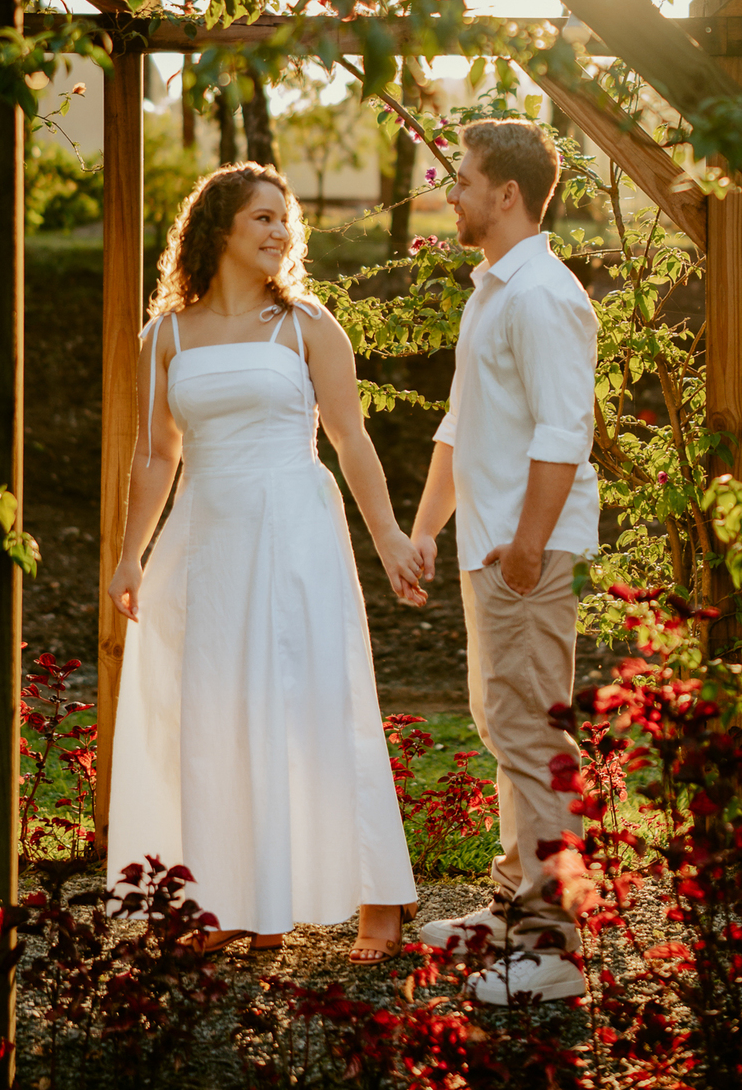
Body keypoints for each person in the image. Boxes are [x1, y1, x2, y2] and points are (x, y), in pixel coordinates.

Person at [106, 162, 423, 965]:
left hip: (294, 532)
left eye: (286, 219)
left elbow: (352, 440)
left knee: (320, 696)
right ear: (218, 231)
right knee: (213, 712)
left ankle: (380, 905)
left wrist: (386, 535)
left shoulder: (307, 324)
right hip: (205, 539)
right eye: (262, 218)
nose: (281, 231)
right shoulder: (165, 335)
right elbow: (154, 454)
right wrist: (129, 556)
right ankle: (243, 900)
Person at [410, 119, 600, 1004]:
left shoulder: (543, 295)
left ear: (508, 193)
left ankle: (553, 943)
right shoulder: (490, 290)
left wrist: (526, 547)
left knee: (530, 731)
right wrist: (425, 530)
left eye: (464, 179)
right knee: (505, 724)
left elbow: (566, 432)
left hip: (526, 547)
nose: (452, 193)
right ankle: (511, 900)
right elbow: (460, 423)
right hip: (489, 543)